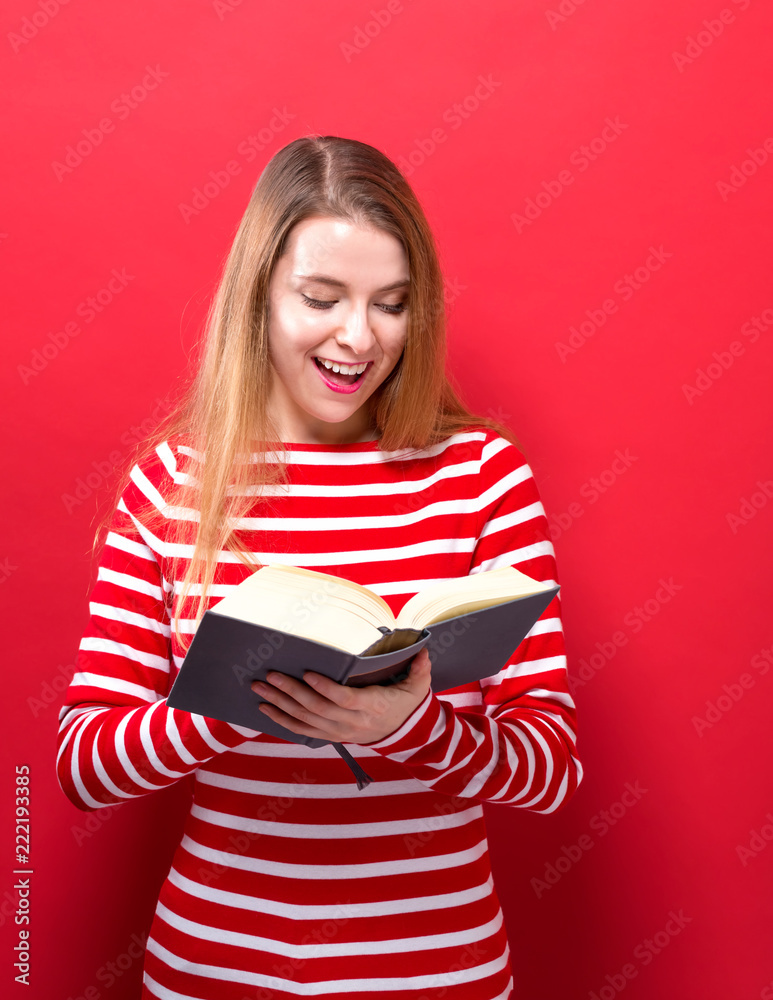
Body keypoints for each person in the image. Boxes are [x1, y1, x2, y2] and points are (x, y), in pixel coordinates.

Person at [56, 135, 583, 1000]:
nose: (358, 336)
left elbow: (551, 770)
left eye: (391, 303)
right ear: (258, 295)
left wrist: (409, 726)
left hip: (438, 970)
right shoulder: (174, 483)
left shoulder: (483, 476)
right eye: (321, 297)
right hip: (214, 970)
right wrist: (234, 702)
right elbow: (81, 767)